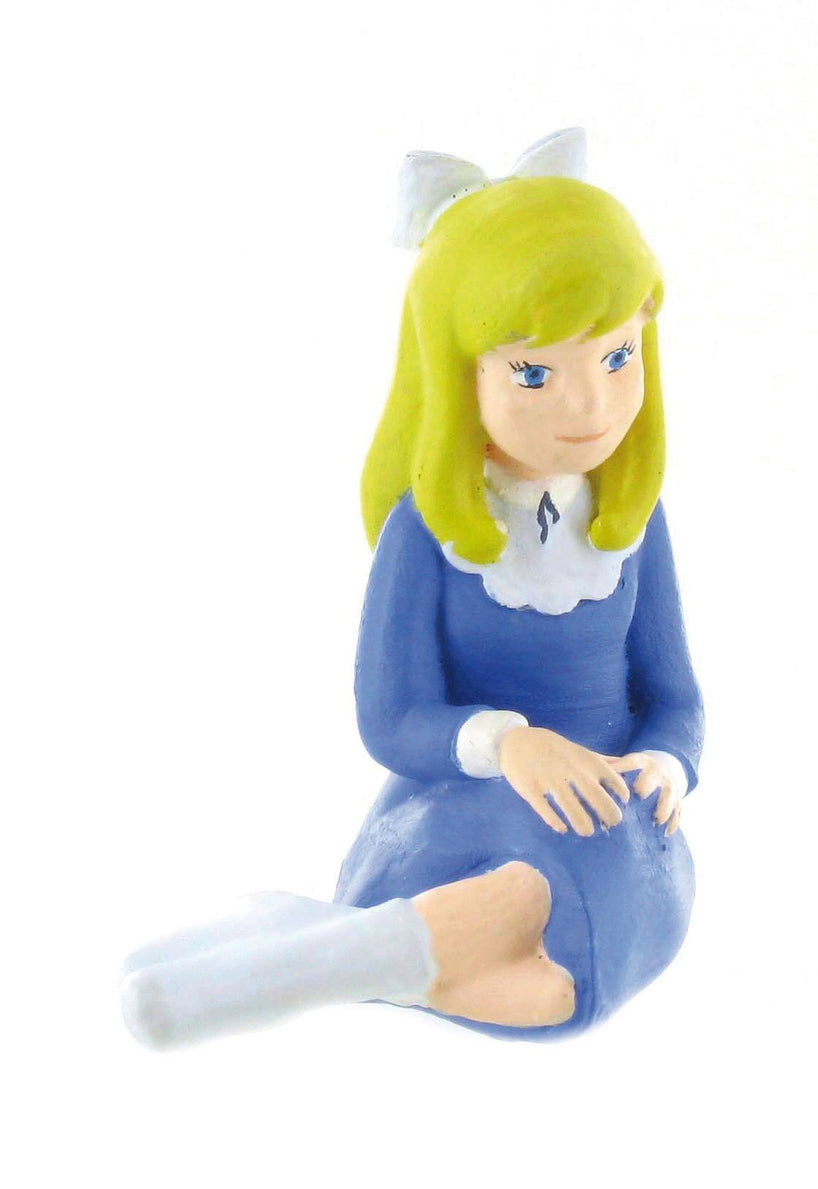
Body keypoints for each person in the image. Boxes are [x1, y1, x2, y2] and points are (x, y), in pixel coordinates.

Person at [120, 129, 704, 1047]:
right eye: (535, 372)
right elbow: (391, 717)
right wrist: (511, 745)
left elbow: (675, 697)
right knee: (536, 923)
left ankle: (321, 952)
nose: (590, 405)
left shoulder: (629, 522)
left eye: (618, 356)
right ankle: (339, 955)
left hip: (611, 823)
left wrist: (664, 764)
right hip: (463, 810)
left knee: (566, 992)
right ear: (459, 375)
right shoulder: (427, 535)